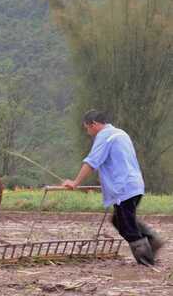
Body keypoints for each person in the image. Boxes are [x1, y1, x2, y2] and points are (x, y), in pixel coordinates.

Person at [62, 109, 164, 266]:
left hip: (123, 188)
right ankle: (152, 240)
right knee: (119, 219)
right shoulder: (120, 133)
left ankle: (146, 260)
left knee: (126, 226)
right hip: (134, 185)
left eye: (87, 128)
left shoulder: (104, 136)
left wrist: (75, 183)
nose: (88, 133)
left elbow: (91, 162)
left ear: (94, 124)